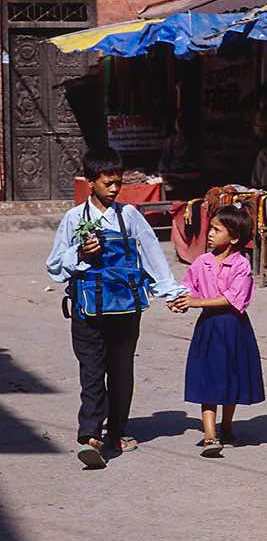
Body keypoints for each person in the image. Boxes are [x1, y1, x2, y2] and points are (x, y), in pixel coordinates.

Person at [47, 146, 181, 469]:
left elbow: (152, 255)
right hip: (86, 310)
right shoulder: (74, 219)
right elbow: (54, 266)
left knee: (121, 373)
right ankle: (90, 436)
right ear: (90, 182)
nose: (115, 188)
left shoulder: (129, 216)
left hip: (124, 310)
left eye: (118, 182)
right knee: (91, 371)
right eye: (108, 182)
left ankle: (117, 430)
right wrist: (79, 253)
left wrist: (170, 291)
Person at [168, 205, 264, 457]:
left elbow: (233, 298)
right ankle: (210, 435)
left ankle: (228, 426)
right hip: (208, 327)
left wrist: (195, 302)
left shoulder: (241, 265)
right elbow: (188, 287)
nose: (209, 234)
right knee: (208, 379)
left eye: (216, 230)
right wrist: (178, 299)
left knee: (230, 377)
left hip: (233, 327)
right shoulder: (202, 262)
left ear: (234, 238)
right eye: (210, 228)